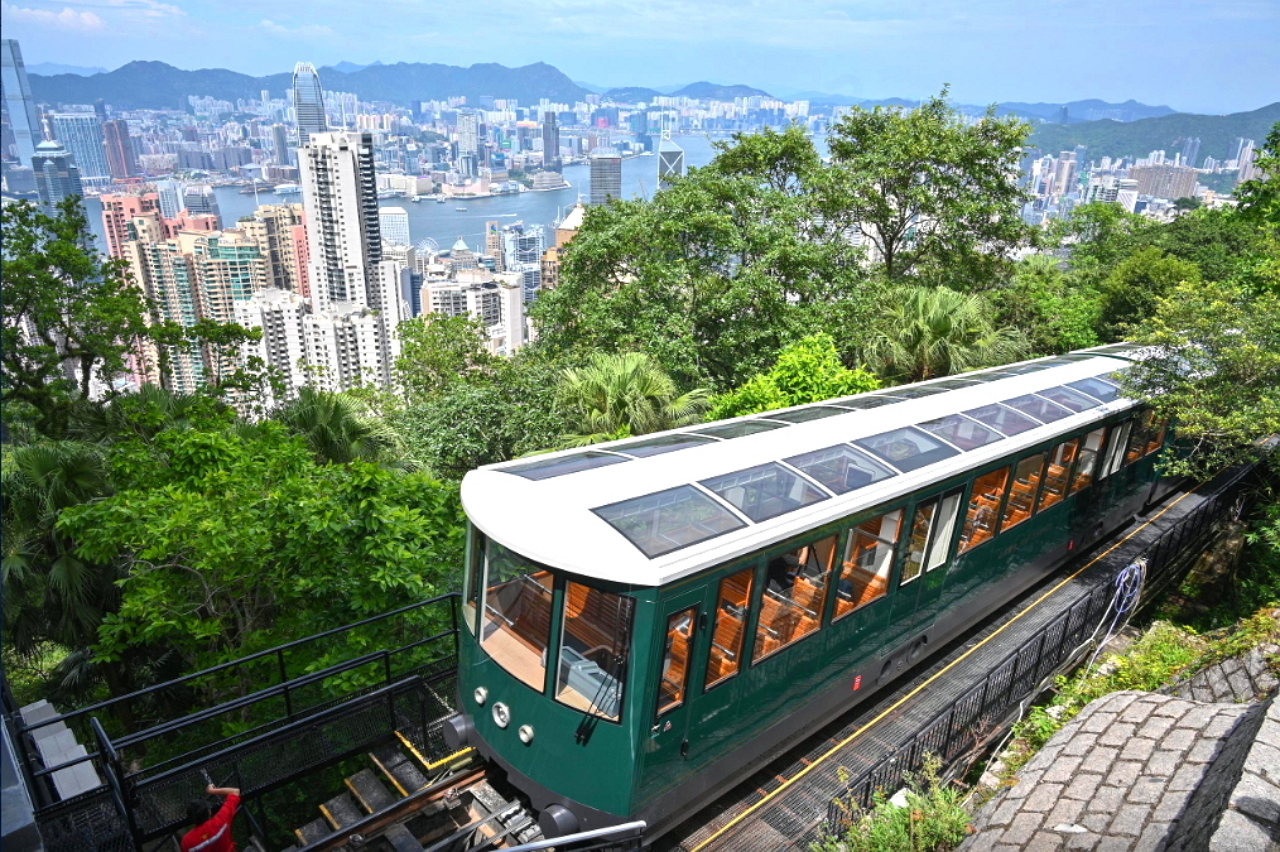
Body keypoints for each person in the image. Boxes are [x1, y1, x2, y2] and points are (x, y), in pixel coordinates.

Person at [181, 783, 241, 852]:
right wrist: (212, 791)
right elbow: (235, 792)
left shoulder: (186, 841)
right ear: (209, 812)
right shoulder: (220, 821)